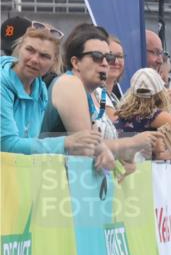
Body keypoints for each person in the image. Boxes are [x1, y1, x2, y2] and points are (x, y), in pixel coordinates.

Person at [44, 23, 154, 171]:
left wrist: (123, 155)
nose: (105, 63)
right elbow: (85, 148)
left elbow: (97, 148)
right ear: (75, 62)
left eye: (108, 57)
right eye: (96, 57)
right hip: (50, 178)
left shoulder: (90, 93)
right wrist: (132, 143)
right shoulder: (69, 83)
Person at [1, 26, 102, 157]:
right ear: (19, 48)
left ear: (54, 62)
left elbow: (30, 142)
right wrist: (66, 142)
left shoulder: (40, 88)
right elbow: (6, 145)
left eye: (44, 56)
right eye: (30, 50)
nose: (34, 59)